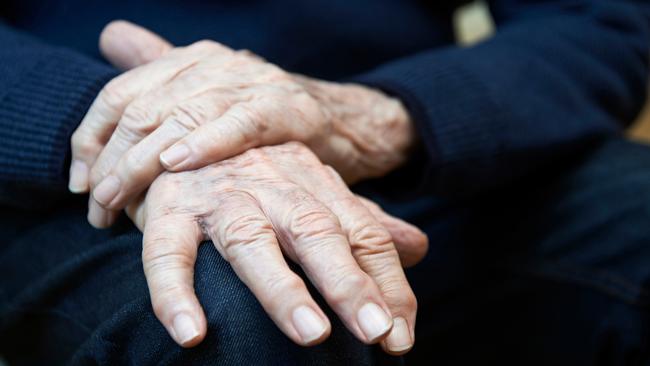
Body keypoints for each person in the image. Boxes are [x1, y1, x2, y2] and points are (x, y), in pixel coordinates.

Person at [1, 0, 649, 365]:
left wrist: (364, 119)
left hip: (398, 156)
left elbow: (600, 22)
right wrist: (129, 123)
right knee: (239, 303)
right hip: (60, 184)